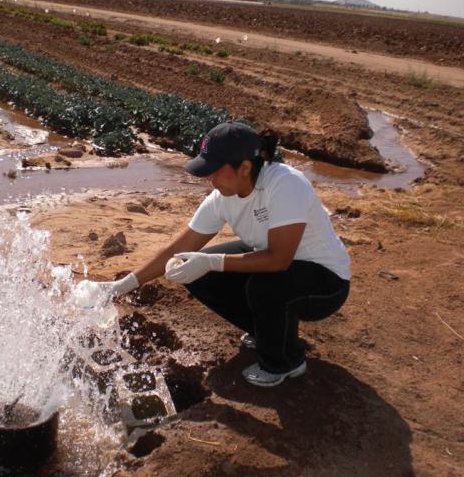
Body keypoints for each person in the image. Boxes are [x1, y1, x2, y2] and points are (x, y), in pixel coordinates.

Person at [93, 121, 351, 387]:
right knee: (192, 268)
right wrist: (120, 286)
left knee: (263, 286)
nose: (209, 179)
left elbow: (279, 259)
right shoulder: (222, 197)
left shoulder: (285, 185)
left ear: (245, 167)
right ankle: (267, 333)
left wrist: (212, 261)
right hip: (279, 268)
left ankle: (285, 362)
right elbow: (179, 248)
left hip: (325, 283)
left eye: (215, 170)